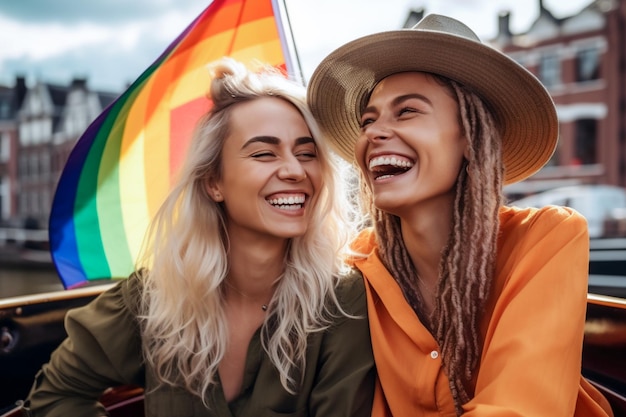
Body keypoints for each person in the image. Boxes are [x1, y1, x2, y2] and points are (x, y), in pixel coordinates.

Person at [23, 57, 375, 417]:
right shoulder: (151, 299)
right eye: (264, 153)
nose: (294, 170)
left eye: (306, 154)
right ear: (213, 182)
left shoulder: (343, 305)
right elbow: (57, 394)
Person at [307, 13, 614, 417]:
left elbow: (518, 409)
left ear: (470, 139)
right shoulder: (355, 274)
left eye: (407, 112)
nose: (374, 133)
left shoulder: (546, 237)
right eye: (369, 119)